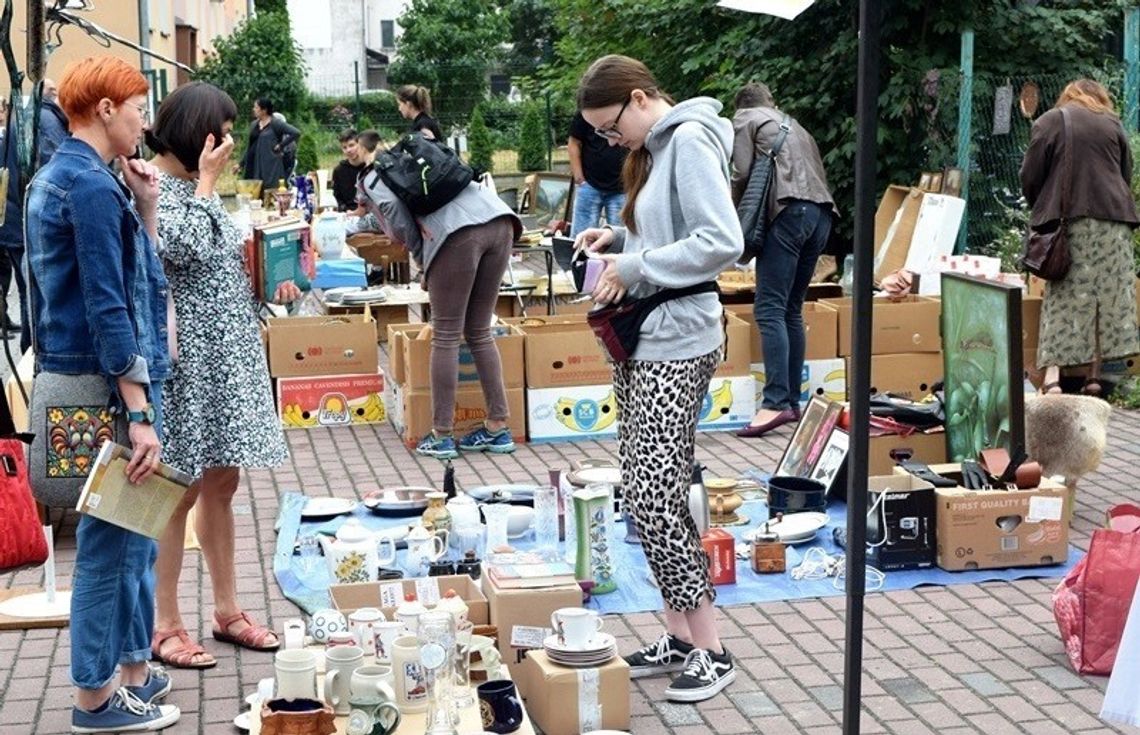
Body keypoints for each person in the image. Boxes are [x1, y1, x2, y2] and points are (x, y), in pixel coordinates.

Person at [574, 55, 743, 703]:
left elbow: (720, 240)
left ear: (640, 98)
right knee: (648, 491)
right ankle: (679, 633)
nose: (610, 142)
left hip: (679, 337)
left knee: (653, 495)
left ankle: (711, 647)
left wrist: (637, 268)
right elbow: (667, 232)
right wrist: (617, 238)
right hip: (648, 337)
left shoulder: (691, 140)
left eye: (611, 128)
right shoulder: (659, 146)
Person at [25, 56, 178, 732]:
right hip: (102, 386)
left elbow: (129, 280)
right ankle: (94, 695)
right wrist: (138, 411)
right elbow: (110, 307)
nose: (145, 118)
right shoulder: (86, 186)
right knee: (110, 542)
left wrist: (144, 209)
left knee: (126, 535)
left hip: (81, 377)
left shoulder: (67, 178)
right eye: (138, 105)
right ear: (107, 110)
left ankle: (125, 672)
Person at [146, 81, 297, 669]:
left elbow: (219, 256)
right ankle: (166, 623)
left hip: (226, 356)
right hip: (185, 363)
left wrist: (270, 278)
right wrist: (208, 185)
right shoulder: (156, 186)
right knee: (175, 491)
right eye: (225, 131)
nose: (232, 143)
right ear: (197, 133)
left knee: (223, 483)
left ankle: (227, 610)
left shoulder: (193, 187)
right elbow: (182, 249)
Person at [360, 144, 521, 461]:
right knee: (479, 330)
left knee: (446, 334)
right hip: (500, 220)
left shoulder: (371, 181)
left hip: (456, 234)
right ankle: (497, 427)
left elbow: (397, 222)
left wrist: (424, 262)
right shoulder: (417, 158)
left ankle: (442, 434)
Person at [730, 82, 836, 437]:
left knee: (769, 309)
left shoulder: (745, 119)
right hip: (821, 215)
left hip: (788, 212)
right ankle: (792, 402)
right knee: (791, 309)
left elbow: (741, 173)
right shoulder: (796, 125)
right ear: (770, 101)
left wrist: (732, 219)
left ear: (741, 105)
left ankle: (774, 403)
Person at [1020, 78, 1139, 397]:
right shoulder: (1112, 125)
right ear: (1099, 99)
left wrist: (1043, 207)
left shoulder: (1050, 121)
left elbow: (1030, 176)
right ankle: (1094, 376)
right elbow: (1125, 174)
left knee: (1063, 295)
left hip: (1071, 222)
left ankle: (1054, 378)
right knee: (1104, 300)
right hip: (1115, 225)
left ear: (1068, 96)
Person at [0, 77, 70, 348]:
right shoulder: (46, 122)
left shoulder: (30, 117)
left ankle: (30, 352)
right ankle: (32, 354)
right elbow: (54, 179)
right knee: (36, 295)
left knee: (29, 290)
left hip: (17, 219)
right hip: (25, 223)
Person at [568, 110, 627, 237]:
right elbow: (574, 142)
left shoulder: (625, 111)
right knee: (581, 240)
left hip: (622, 188)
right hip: (589, 185)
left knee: (621, 242)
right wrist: (579, 178)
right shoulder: (587, 111)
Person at [237, 97, 300, 193]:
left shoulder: (276, 123)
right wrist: (241, 164)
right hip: (255, 164)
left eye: (256, 107)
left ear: (264, 110)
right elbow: (250, 146)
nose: (254, 109)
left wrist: (281, 145)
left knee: (271, 191)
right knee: (256, 191)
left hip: (271, 165)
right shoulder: (254, 124)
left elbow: (295, 133)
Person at [331, 128, 369, 211]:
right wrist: (345, 209)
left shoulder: (370, 168)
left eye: (351, 145)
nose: (348, 150)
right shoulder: (339, 171)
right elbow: (338, 197)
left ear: (360, 144)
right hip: (348, 214)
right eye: (344, 147)